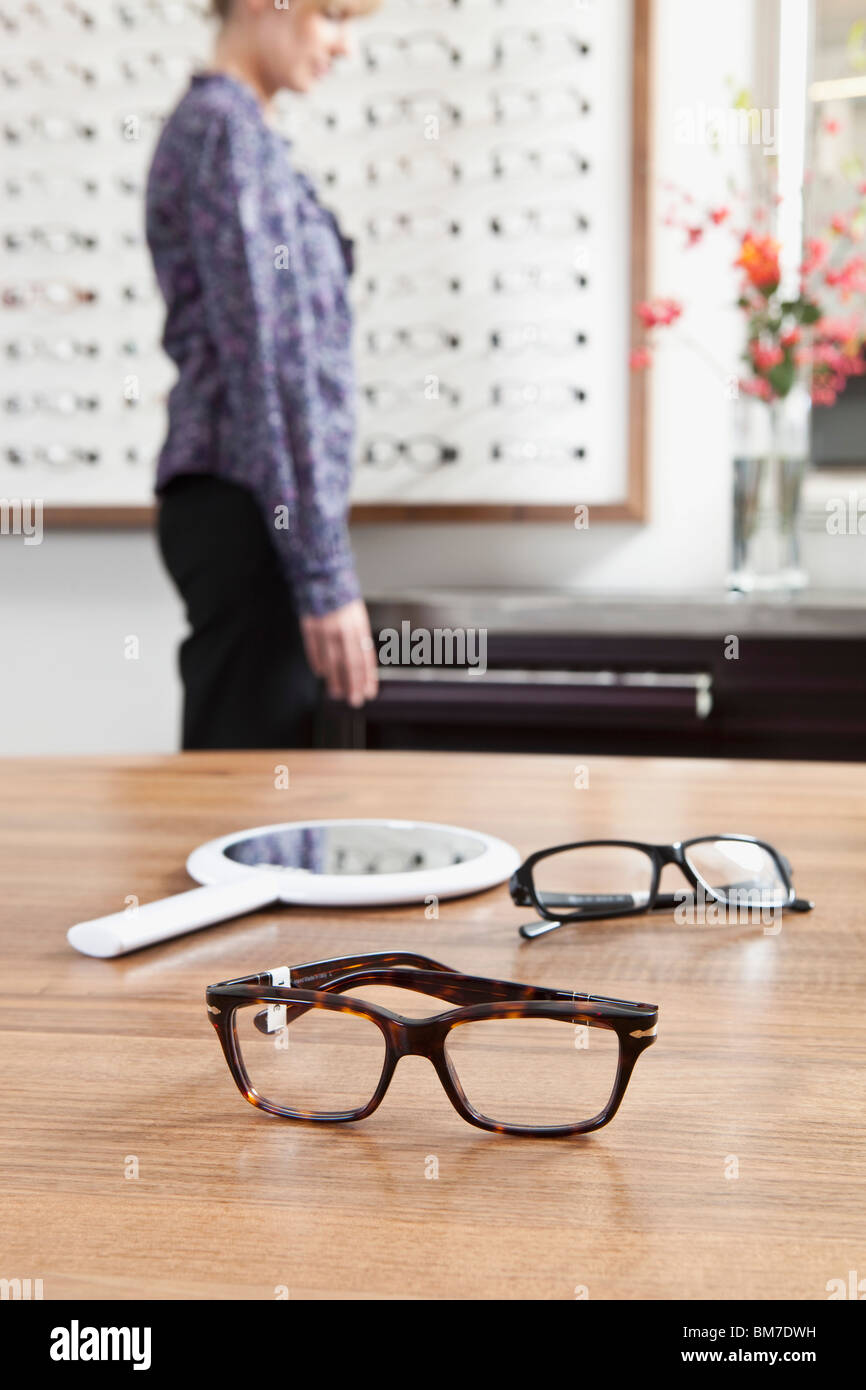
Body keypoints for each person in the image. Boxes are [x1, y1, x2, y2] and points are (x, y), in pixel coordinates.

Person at [146, 0, 380, 750]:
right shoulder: (225, 132)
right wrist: (323, 572)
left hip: (258, 508)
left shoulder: (243, 133)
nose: (343, 45)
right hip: (251, 509)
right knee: (248, 823)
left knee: (272, 817)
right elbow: (269, 365)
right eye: (332, 14)